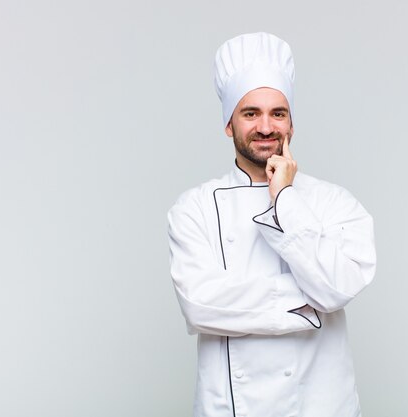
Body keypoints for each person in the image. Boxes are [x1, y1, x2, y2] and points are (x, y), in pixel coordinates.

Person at [167, 32, 376, 417]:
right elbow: (199, 305)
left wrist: (285, 199)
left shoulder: (335, 202)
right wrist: (306, 301)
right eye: (251, 114)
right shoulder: (193, 208)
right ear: (229, 124)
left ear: (291, 125)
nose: (266, 127)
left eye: (277, 113)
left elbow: (339, 287)